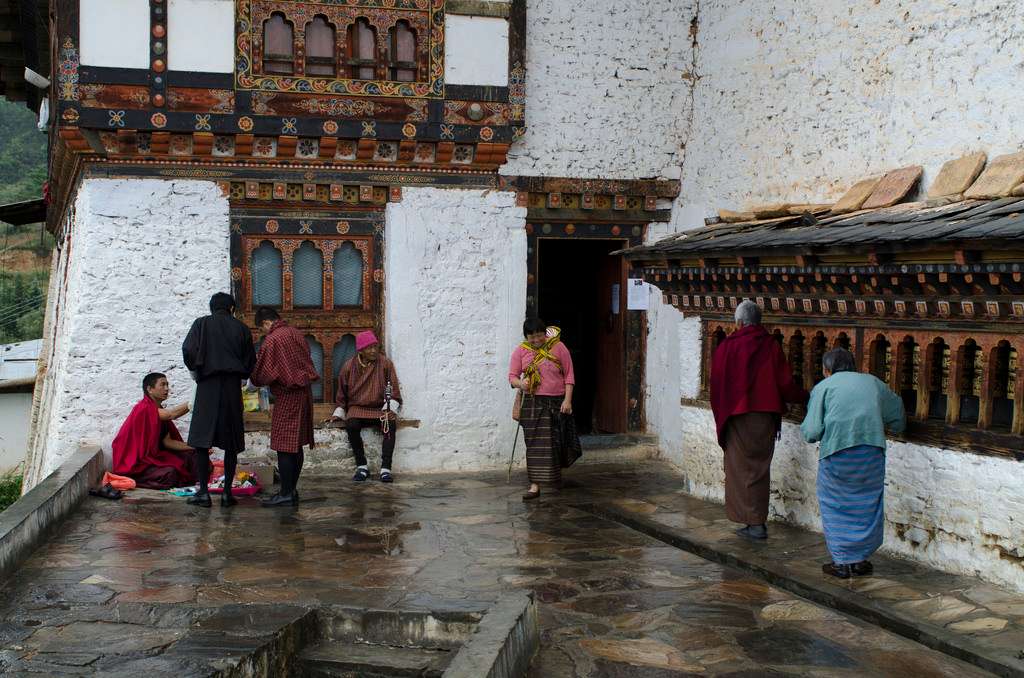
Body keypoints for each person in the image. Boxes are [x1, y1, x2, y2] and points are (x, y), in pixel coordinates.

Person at [800, 348, 905, 579]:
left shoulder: (824, 388)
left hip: (838, 454)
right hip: (871, 453)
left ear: (827, 370)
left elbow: (811, 431)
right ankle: (860, 560)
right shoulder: (873, 383)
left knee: (835, 505)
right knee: (866, 504)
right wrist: (897, 428)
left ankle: (842, 562)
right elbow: (896, 411)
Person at [710, 299, 807, 540]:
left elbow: (717, 386)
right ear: (759, 321)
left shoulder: (727, 347)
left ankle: (753, 523)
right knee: (759, 469)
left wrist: (721, 416)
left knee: (739, 469)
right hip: (765, 417)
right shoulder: (770, 346)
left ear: (739, 322)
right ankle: (755, 521)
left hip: (737, 417)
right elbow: (784, 383)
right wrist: (806, 396)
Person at [182, 292, 256, 508]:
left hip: (208, 386)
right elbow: (251, 359)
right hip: (232, 388)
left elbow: (187, 349)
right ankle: (226, 494)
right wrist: (241, 375)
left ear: (212, 308)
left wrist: (197, 368)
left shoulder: (201, 324)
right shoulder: (241, 328)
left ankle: (203, 493)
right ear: (232, 309)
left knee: (202, 442)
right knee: (231, 442)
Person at [250, 307, 319, 507]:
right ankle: (291, 489)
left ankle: (286, 493)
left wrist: (252, 382)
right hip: (304, 393)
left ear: (265, 323)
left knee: (284, 445)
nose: (263, 333)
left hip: (288, 395)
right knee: (296, 445)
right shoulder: (296, 333)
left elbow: (263, 372)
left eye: (261, 329)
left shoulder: (273, 339)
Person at [508, 317, 580, 501]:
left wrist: (568, 400)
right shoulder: (521, 351)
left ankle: (554, 477)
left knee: (555, 442)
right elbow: (512, 376)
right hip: (531, 403)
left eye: (539, 336)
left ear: (544, 333)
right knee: (535, 445)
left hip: (556, 402)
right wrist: (520, 384)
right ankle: (535, 486)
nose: (536, 340)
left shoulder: (559, 347)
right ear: (526, 337)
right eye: (532, 337)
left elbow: (569, 373)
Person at [328, 331, 402, 483]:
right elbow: (342, 392)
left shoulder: (385, 364)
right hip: (357, 408)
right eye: (369, 348)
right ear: (360, 350)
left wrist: (389, 408)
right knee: (351, 424)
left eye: (375, 346)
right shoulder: (349, 366)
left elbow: (393, 389)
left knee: (389, 425)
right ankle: (362, 466)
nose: (374, 350)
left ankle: (386, 469)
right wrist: (339, 411)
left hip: (380, 408)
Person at [111, 372, 195, 489]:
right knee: (170, 473)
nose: (166, 388)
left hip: (152, 458)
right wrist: (194, 400)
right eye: (162, 385)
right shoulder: (143, 408)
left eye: (167, 385)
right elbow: (171, 414)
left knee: (193, 458)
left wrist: (194, 446)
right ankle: (134, 480)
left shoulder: (158, 410)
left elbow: (168, 442)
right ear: (150, 389)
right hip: (135, 464)